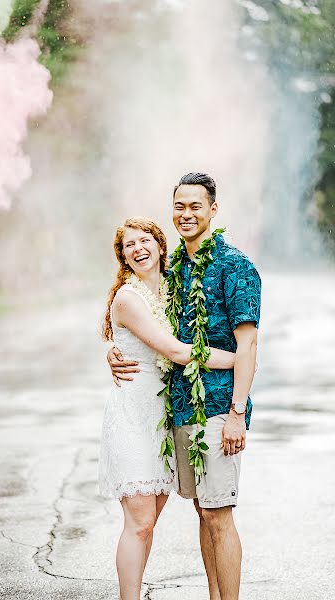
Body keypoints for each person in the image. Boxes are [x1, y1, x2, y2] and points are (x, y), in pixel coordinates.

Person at [108, 173, 261, 600]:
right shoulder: (174, 269)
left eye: (196, 206)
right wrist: (114, 352)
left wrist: (236, 412)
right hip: (179, 407)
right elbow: (148, 327)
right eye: (179, 206)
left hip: (218, 408)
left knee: (219, 514)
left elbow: (248, 342)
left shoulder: (235, 266)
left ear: (213, 209)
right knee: (203, 510)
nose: (186, 214)